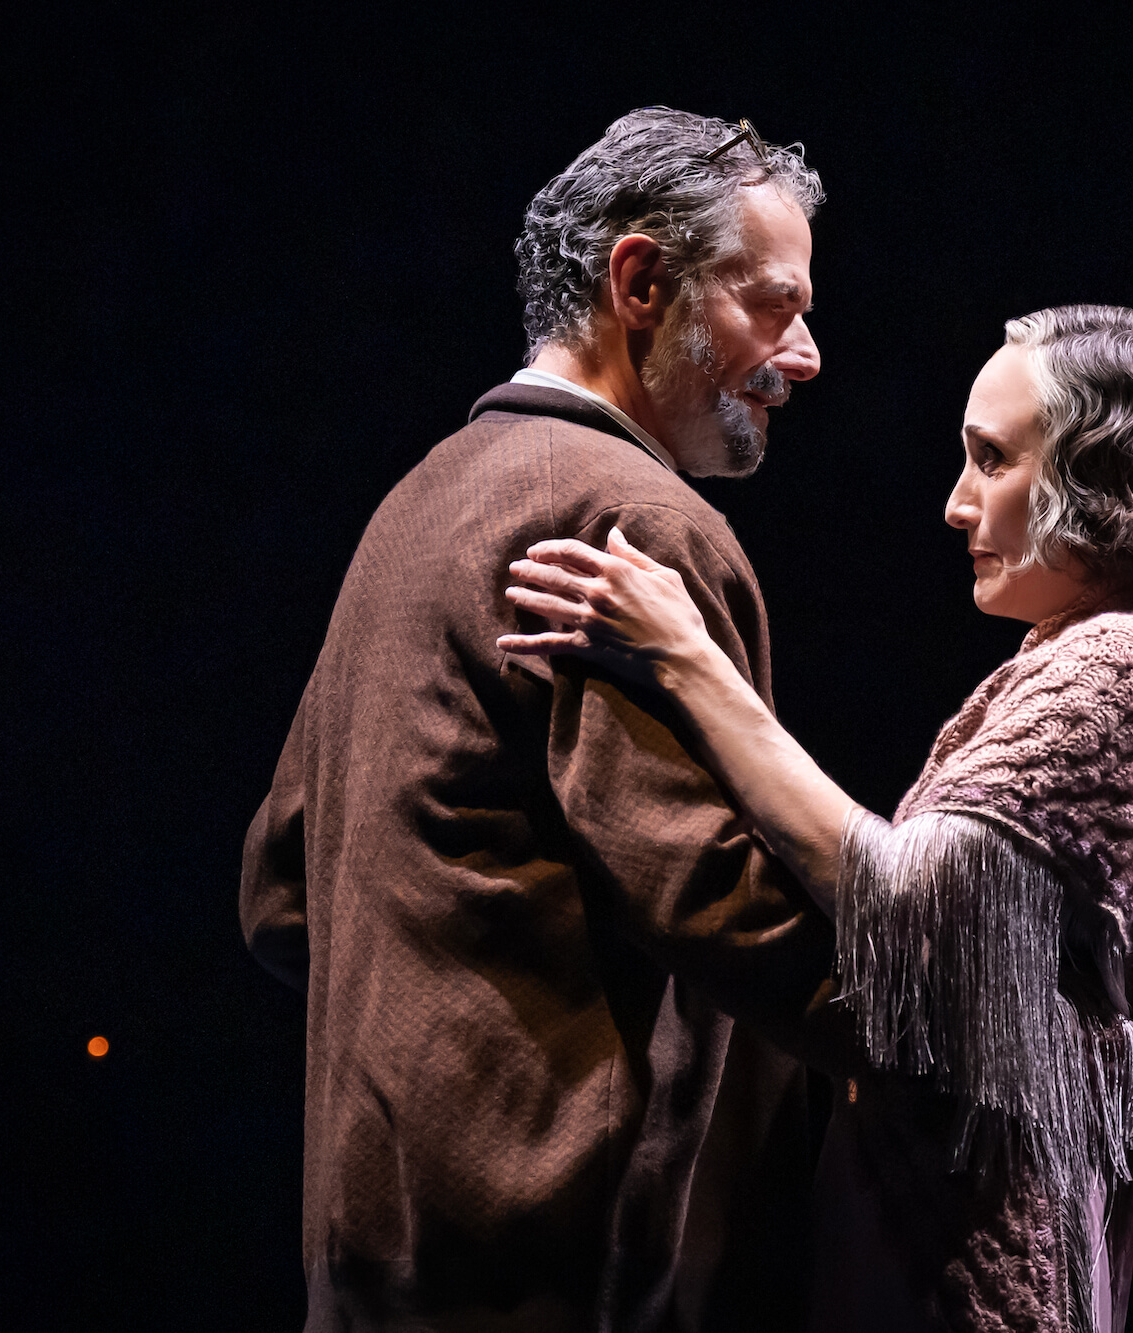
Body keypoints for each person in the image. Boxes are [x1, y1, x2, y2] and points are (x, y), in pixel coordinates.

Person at [501, 305, 1133, 1333]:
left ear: (1111, 479)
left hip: (966, 1249)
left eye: (992, 460)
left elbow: (907, 902)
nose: (956, 506)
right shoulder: (1077, 656)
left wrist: (688, 663)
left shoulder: (1127, 668)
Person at [240, 109, 839, 1332]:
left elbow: (278, 894)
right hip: (554, 1263)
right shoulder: (631, 522)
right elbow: (720, 902)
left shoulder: (413, 503)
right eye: (773, 305)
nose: (806, 353)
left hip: (369, 1253)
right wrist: (968, 1031)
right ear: (640, 281)